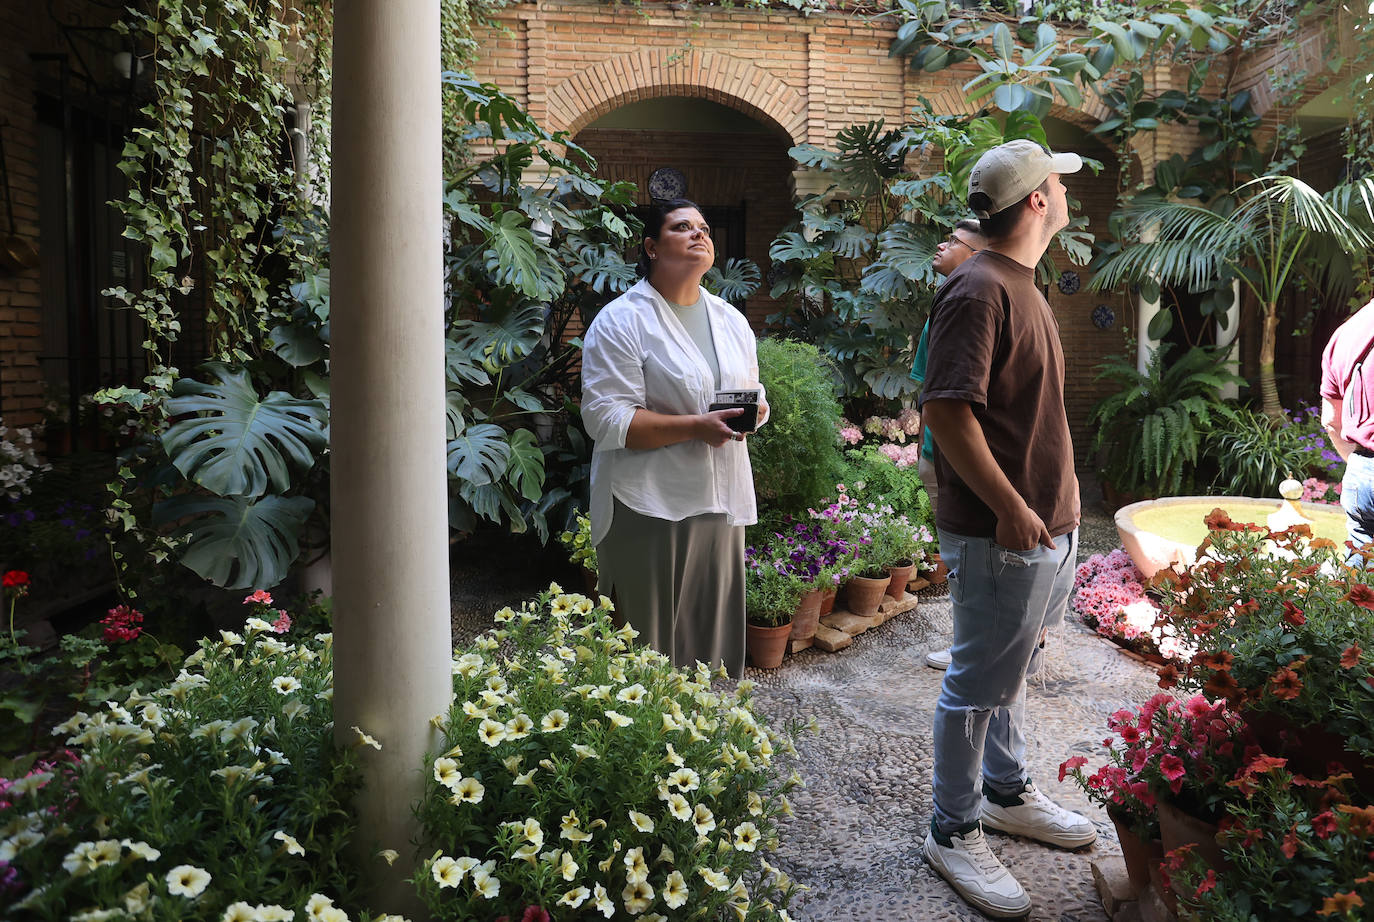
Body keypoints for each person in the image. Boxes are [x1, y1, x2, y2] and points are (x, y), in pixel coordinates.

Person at [918, 140, 1096, 919]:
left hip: (1040, 527)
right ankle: (952, 829)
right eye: (1057, 182)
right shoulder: (978, 290)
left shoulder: (1021, 284)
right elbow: (947, 413)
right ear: (1035, 202)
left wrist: (1058, 505)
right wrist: (1012, 509)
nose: (1064, 191)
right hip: (1005, 535)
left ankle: (1005, 792)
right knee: (973, 683)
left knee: (1009, 673)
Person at [581, 199, 768, 678]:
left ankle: (704, 747)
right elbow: (606, 420)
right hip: (648, 503)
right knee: (649, 650)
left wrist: (754, 412)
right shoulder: (622, 321)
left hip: (717, 500)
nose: (698, 234)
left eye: (704, 227)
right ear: (651, 246)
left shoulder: (731, 320)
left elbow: (749, 393)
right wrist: (696, 427)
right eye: (681, 227)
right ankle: (644, 747)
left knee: (710, 644)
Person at [910, 218, 988, 671]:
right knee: (959, 554)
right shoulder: (944, 306)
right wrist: (925, 455)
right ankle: (969, 641)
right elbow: (925, 392)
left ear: (976, 254)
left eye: (955, 241)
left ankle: (974, 646)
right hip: (939, 458)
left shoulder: (974, 303)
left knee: (973, 555)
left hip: (968, 459)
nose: (942, 244)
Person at [1320, 296, 1374, 564]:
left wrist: (1362, 464)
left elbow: (1332, 420)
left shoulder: (1347, 332)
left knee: (1360, 590)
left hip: (1362, 472)